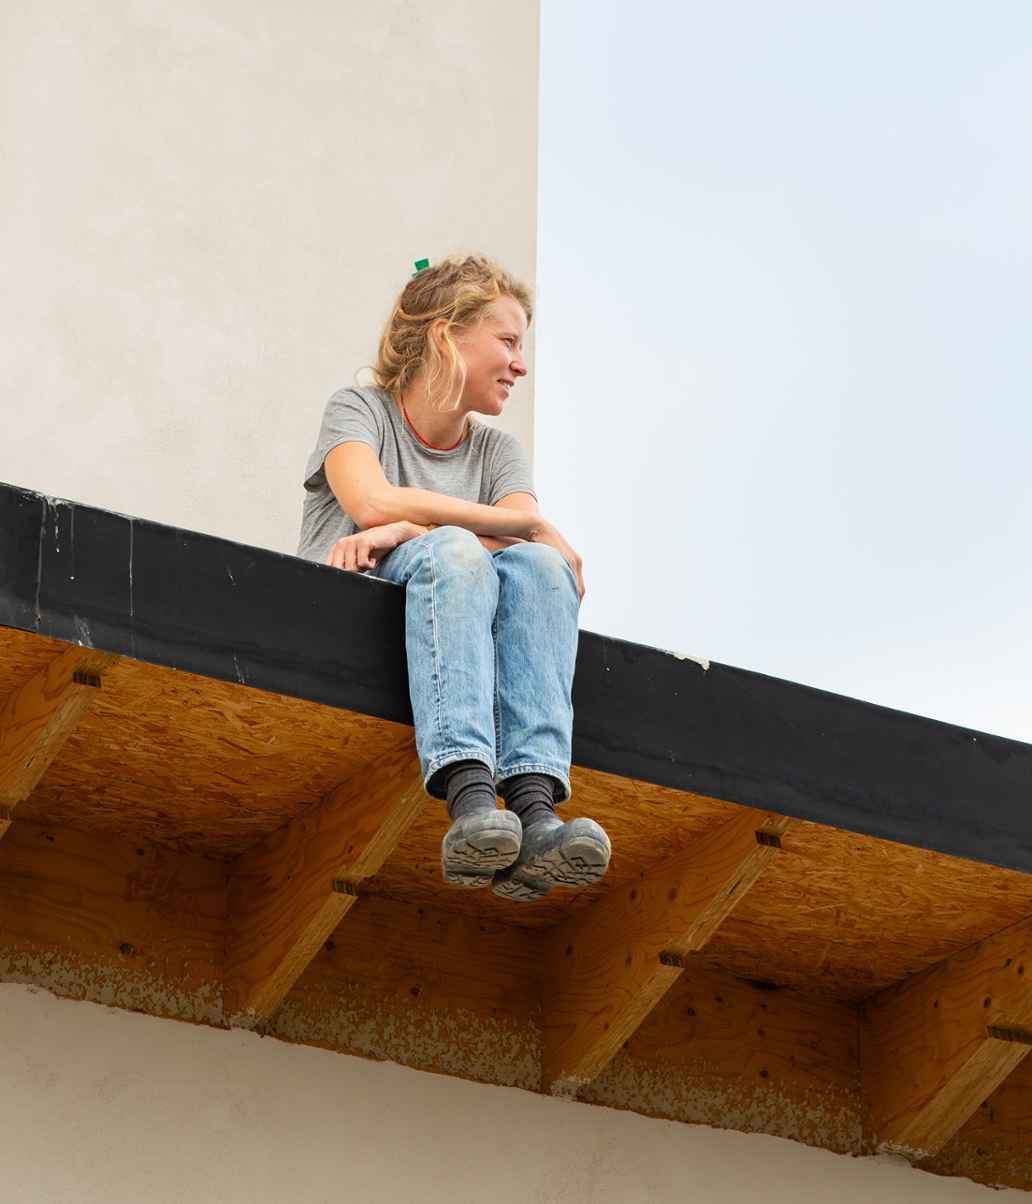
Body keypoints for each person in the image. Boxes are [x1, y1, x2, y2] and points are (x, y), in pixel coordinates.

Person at [297, 253, 610, 902]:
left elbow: (530, 540)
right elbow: (371, 504)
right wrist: (420, 531)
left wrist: (414, 525)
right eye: (507, 341)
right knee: (463, 555)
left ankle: (533, 811)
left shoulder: (498, 451)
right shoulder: (359, 411)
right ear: (446, 334)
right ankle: (470, 799)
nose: (520, 364)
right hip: (351, 613)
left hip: (445, 594)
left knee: (540, 569)